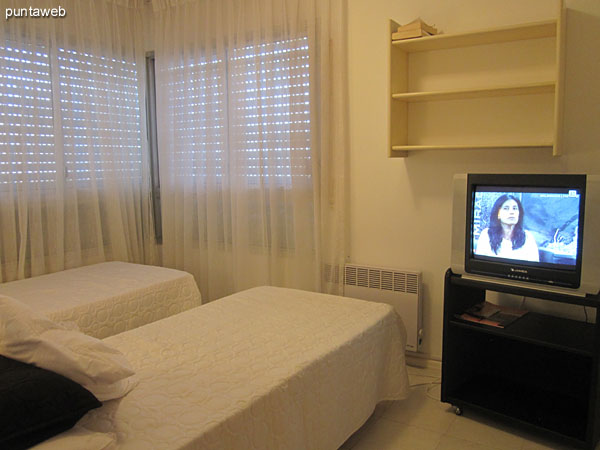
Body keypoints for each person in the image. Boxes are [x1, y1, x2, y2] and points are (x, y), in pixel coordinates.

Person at [475, 194, 539, 262]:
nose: (511, 212)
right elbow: (480, 264)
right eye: (506, 208)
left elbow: (534, 265)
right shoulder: (486, 235)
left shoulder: (528, 237)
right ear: (498, 213)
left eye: (515, 208)